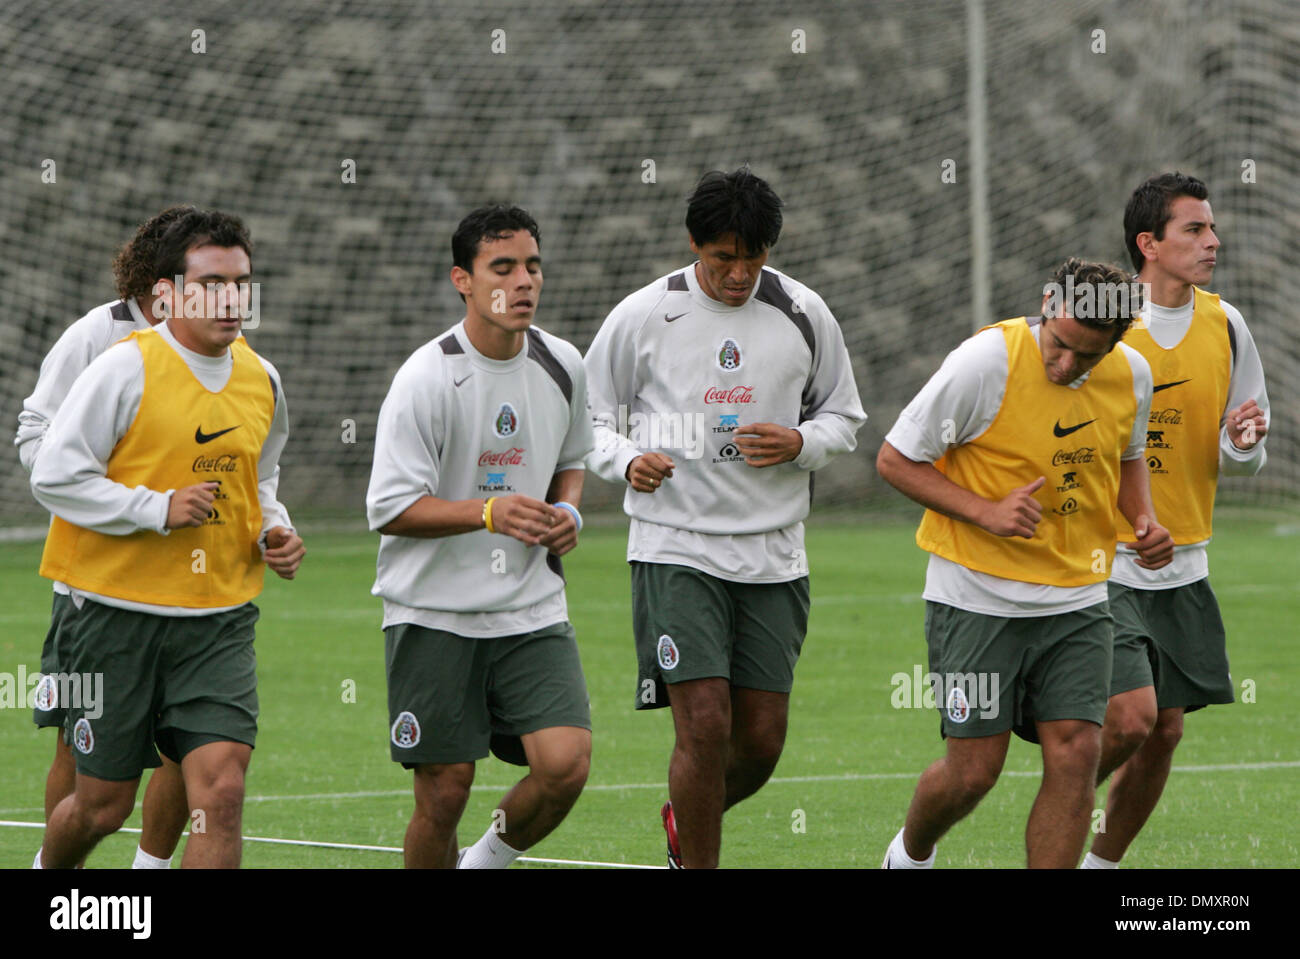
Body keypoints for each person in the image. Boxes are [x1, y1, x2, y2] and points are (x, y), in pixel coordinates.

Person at [584, 167, 867, 868]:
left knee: (762, 741)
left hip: (774, 552)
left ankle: (686, 818)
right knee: (705, 724)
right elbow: (585, 420)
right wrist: (625, 460)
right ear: (694, 244)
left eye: (754, 257)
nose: (740, 273)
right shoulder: (644, 314)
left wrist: (802, 441)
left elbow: (845, 414)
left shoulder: (804, 311)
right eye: (723, 258)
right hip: (676, 546)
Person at [877, 258, 1174, 869]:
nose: (1065, 365)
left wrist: (1143, 522)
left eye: (1086, 357)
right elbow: (897, 459)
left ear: (1117, 344)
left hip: (1079, 602)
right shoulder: (984, 362)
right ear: (1046, 305)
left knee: (1075, 757)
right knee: (973, 774)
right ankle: (908, 856)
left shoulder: (1134, 374)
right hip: (976, 600)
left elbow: (1128, 456)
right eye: (1059, 344)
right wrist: (985, 512)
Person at [31, 208, 304, 869]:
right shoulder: (122, 366)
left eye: (242, 283)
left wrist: (276, 525)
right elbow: (53, 474)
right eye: (211, 283)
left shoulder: (262, 378)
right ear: (170, 292)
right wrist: (154, 508)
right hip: (112, 615)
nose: (231, 299)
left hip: (217, 619)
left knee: (222, 787)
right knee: (102, 805)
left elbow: (259, 476)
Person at [367, 204, 594, 869]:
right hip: (433, 611)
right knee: (444, 792)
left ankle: (485, 860)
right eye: (502, 268)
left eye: (532, 265)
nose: (523, 281)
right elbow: (387, 506)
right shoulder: (425, 377)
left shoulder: (564, 363)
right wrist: (486, 513)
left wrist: (569, 514)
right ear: (462, 280)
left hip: (530, 606)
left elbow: (572, 458)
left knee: (565, 764)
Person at [1082, 174, 1269, 869]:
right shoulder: (1100, 318)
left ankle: (1100, 864)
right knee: (1130, 717)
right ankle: (1063, 795)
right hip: (1107, 560)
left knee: (1163, 732)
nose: (1213, 240)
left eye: (1212, 228)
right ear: (1148, 244)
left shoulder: (1227, 323)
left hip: (1187, 561)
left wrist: (1242, 444)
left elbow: (1246, 445)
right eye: (1194, 229)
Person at [16, 205, 194, 870]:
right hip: (95, 585)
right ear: (158, 278)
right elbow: (36, 432)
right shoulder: (100, 334)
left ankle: (147, 874)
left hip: (193, 588)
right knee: (81, 753)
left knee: (192, 742)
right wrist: (109, 499)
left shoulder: (223, 346)